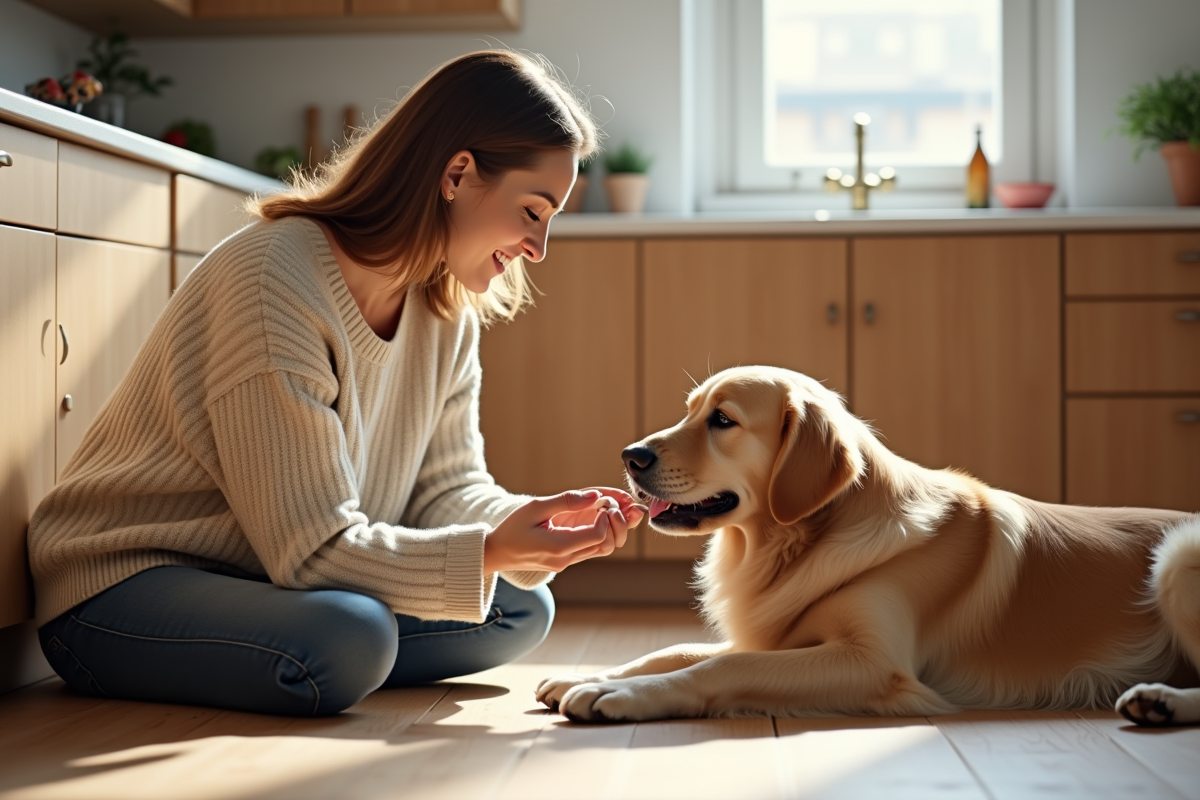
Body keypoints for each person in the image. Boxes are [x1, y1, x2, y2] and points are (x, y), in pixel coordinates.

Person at [27, 50, 644, 717]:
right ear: (457, 174)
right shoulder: (275, 280)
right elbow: (311, 547)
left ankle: (307, 648)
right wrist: (488, 550)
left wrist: (525, 527)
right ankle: (324, 649)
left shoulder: (446, 311)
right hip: (126, 586)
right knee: (353, 634)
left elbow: (445, 490)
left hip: (270, 578)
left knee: (519, 603)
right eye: (531, 211)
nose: (539, 249)